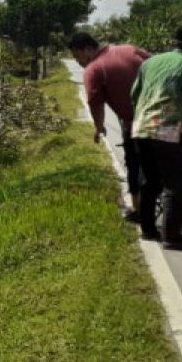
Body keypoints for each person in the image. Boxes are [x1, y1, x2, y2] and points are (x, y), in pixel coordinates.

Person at [131, 27, 182, 252]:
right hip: (167, 131)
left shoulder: (149, 63)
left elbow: (134, 95)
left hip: (140, 129)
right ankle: (173, 237)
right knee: (178, 186)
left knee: (151, 181)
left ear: (173, 43)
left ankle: (148, 230)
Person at [68, 32, 151, 221]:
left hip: (135, 123)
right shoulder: (129, 49)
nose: (78, 61)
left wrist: (99, 127)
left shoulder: (94, 69)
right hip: (164, 115)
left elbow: (95, 103)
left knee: (134, 165)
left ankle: (137, 210)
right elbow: (155, 65)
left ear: (87, 49)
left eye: (77, 55)